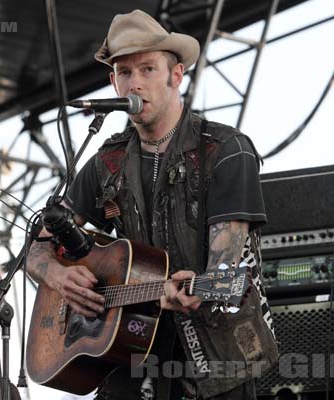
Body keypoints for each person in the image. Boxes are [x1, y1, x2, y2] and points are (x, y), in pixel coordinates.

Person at [27, 9, 278, 400]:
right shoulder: (106, 163)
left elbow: (225, 273)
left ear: (175, 75)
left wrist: (199, 289)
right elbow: (37, 249)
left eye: (147, 69)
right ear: (113, 82)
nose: (135, 83)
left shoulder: (225, 151)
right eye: (125, 73)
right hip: (129, 354)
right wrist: (59, 277)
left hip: (215, 362)